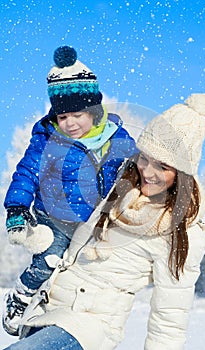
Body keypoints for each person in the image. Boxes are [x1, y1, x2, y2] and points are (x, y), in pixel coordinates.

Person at [3, 93, 205, 350]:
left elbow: (169, 319)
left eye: (162, 166)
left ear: (182, 173)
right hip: (46, 312)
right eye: (145, 159)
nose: (148, 173)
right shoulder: (118, 186)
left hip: (87, 327)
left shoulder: (183, 229)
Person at [2, 45, 137, 336]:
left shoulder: (117, 138)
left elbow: (133, 172)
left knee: (81, 271)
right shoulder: (48, 139)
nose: (70, 123)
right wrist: (16, 207)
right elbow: (26, 172)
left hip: (91, 222)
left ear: (93, 110)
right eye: (62, 117)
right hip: (52, 216)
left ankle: (61, 313)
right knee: (49, 258)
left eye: (77, 114)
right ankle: (22, 296)